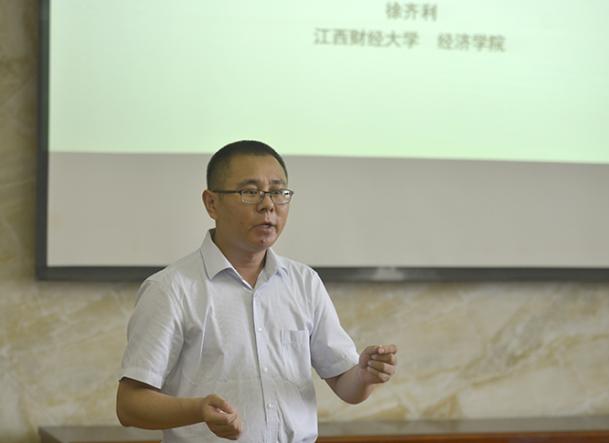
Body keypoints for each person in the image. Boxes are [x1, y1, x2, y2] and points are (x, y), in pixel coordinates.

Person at [116, 140, 398, 442]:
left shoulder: (304, 282)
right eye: (250, 192)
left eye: (278, 192)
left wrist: (365, 375)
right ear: (212, 203)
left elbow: (345, 383)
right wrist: (197, 410)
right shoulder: (171, 289)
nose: (268, 205)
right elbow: (129, 405)